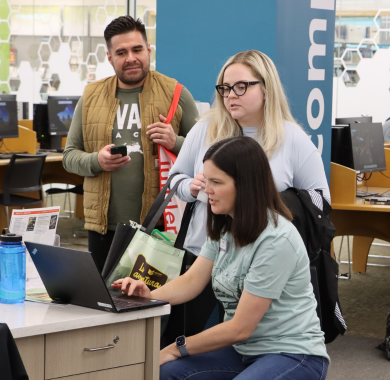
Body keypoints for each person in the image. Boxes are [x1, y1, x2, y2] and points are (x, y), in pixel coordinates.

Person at [112, 136, 330, 380]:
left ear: (245, 186)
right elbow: (192, 281)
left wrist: (176, 348)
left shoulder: (277, 240)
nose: (207, 190)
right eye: (207, 180)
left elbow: (240, 329)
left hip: (294, 354)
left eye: (216, 182)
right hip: (244, 351)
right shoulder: (226, 225)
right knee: (167, 373)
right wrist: (149, 297)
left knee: (171, 360)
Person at [63, 16, 199, 272]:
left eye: (137, 49)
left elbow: (210, 155)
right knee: (106, 305)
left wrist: (175, 142)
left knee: (156, 304)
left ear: (149, 50)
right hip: (103, 228)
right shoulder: (91, 96)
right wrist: (96, 161)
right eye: (121, 52)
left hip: (159, 227)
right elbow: (69, 156)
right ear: (109, 57)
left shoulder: (176, 94)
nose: (131, 58)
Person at [169, 50, 330, 257]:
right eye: (225, 88)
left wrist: (268, 201)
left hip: (266, 259)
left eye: (241, 87)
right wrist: (190, 188)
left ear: (266, 89)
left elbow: (321, 202)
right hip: (203, 255)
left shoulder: (293, 138)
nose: (231, 95)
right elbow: (174, 179)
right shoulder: (205, 128)